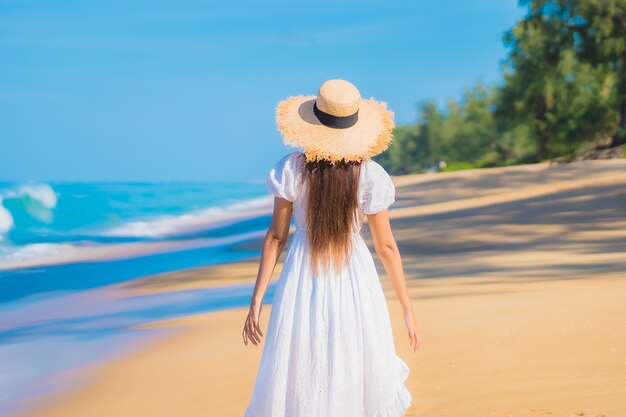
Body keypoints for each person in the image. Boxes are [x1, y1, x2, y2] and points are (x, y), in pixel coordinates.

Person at [242, 79, 420, 417]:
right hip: (354, 277)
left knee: (304, 362)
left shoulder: (291, 169)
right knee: (352, 359)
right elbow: (386, 247)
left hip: (302, 274)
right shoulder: (369, 175)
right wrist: (407, 310)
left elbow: (276, 238)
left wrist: (256, 302)